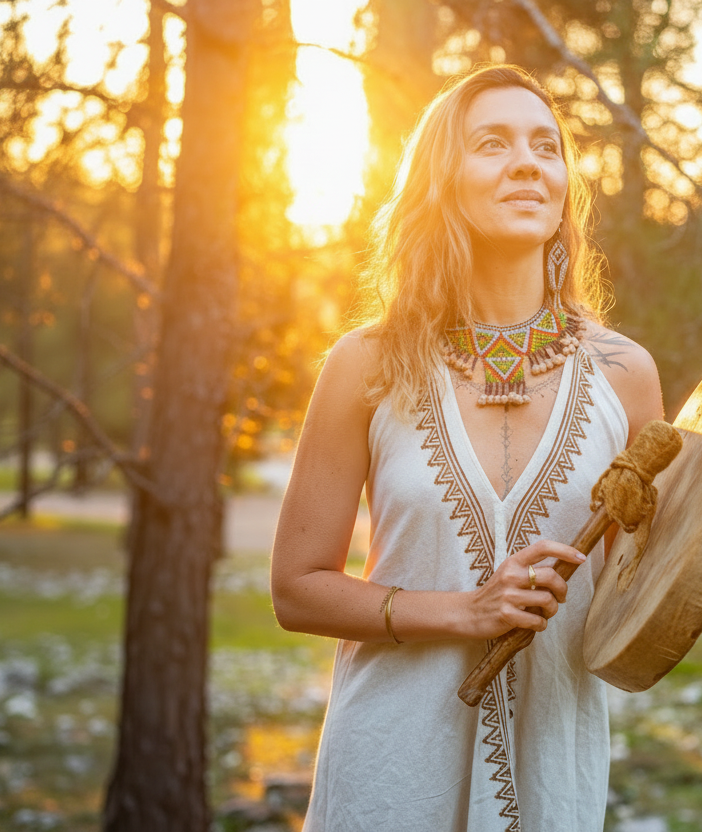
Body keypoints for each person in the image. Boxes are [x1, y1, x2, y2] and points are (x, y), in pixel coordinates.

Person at [270, 64, 663, 832]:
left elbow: (636, 604)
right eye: (493, 143)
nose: (527, 162)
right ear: (442, 181)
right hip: (387, 772)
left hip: (554, 771)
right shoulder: (367, 363)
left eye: (546, 147)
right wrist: (463, 611)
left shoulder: (626, 376)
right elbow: (296, 588)